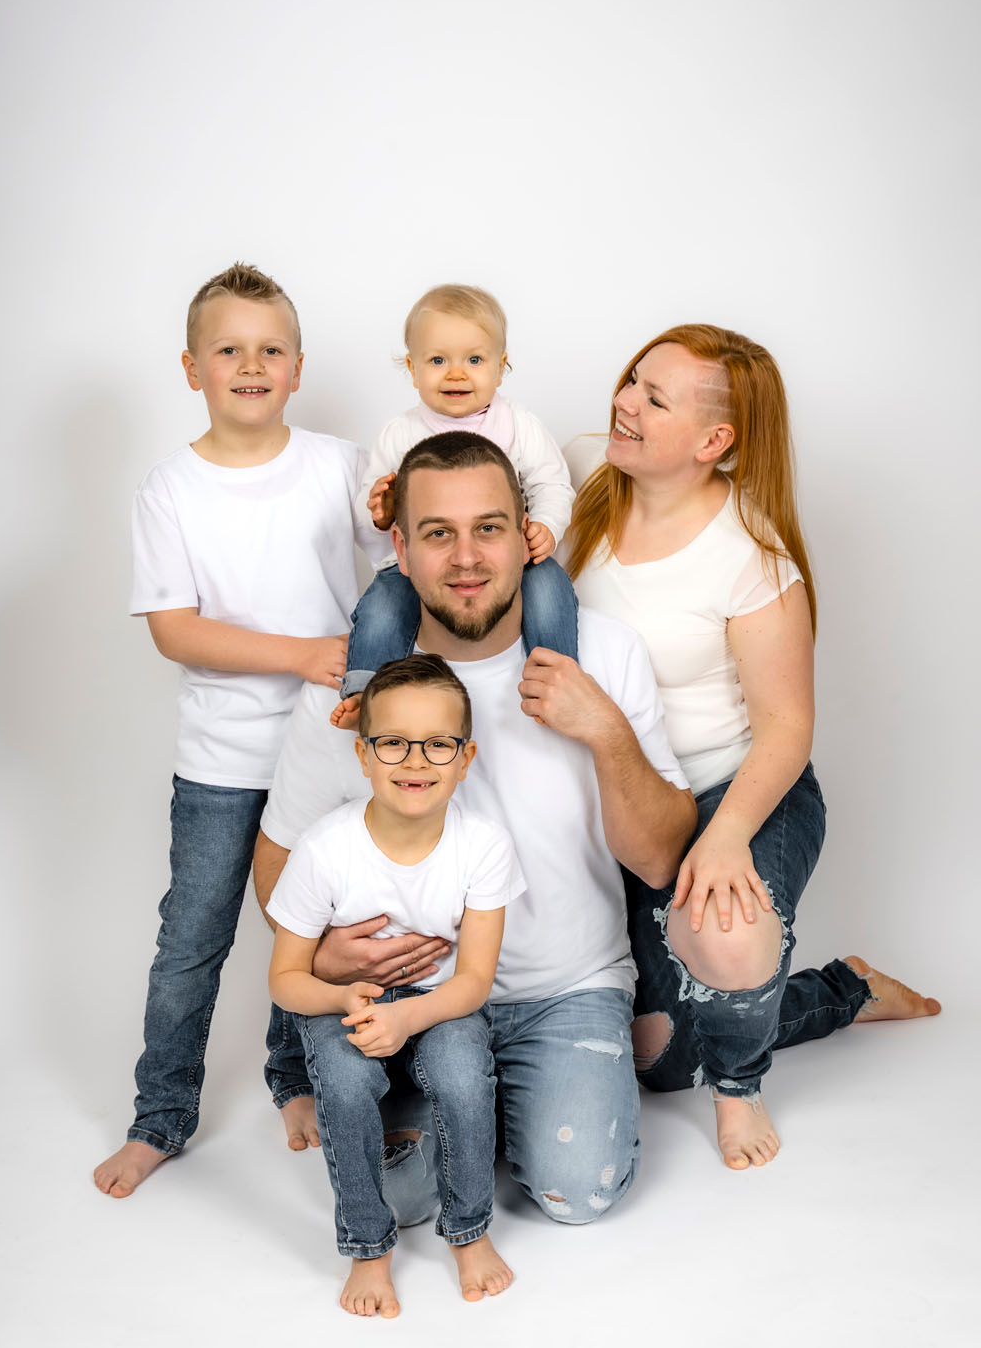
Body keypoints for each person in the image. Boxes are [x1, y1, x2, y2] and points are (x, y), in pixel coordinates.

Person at [251, 430, 698, 1224]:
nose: (466, 557)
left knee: (578, 1192)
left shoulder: (602, 651)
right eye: (437, 533)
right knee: (397, 1200)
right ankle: (467, 1109)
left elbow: (662, 861)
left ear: (526, 534)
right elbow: (278, 857)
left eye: (488, 528)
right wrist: (321, 955)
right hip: (412, 1000)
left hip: (565, 989)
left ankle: (505, 1105)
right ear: (400, 548)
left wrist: (604, 730)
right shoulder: (354, 694)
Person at [565, 323, 941, 1171]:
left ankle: (746, 1081)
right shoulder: (584, 475)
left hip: (734, 792)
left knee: (723, 947)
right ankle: (835, 990)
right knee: (654, 1058)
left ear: (713, 442)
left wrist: (728, 834)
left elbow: (786, 727)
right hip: (625, 804)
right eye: (632, 379)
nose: (623, 402)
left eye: (653, 398)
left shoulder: (750, 555)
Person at [93, 263, 387, 1199]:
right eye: (229, 350)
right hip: (222, 760)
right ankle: (160, 1117)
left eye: (270, 350)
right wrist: (302, 653)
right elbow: (176, 630)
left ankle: (293, 1078)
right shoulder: (169, 489)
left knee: (316, 932)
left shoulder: (341, 466)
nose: (251, 366)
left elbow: (400, 564)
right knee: (193, 941)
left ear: (299, 367)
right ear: (192, 368)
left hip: (331, 749)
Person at [268, 654, 525, 1316]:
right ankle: (367, 1248)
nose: (415, 761)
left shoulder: (483, 845)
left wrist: (410, 1018)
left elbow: (474, 981)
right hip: (346, 1000)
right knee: (346, 1081)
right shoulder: (324, 849)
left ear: (465, 758)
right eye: (393, 743)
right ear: (363, 755)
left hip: (438, 1002)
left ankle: (470, 1232)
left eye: (438, 744)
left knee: (463, 1076)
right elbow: (286, 979)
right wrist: (341, 997)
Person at [334, 284, 577, 716]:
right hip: (420, 563)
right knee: (383, 606)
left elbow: (552, 484)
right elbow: (368, 502)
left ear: (501, 368)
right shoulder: (400, 433)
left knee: (550, 589)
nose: (456, 374)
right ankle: (367, 691)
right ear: (412, 369)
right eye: (438, 360)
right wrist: (380, 511)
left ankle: (556, 680)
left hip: (513, 555)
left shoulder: (518, 424)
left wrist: (546, 527)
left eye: (475, 360)